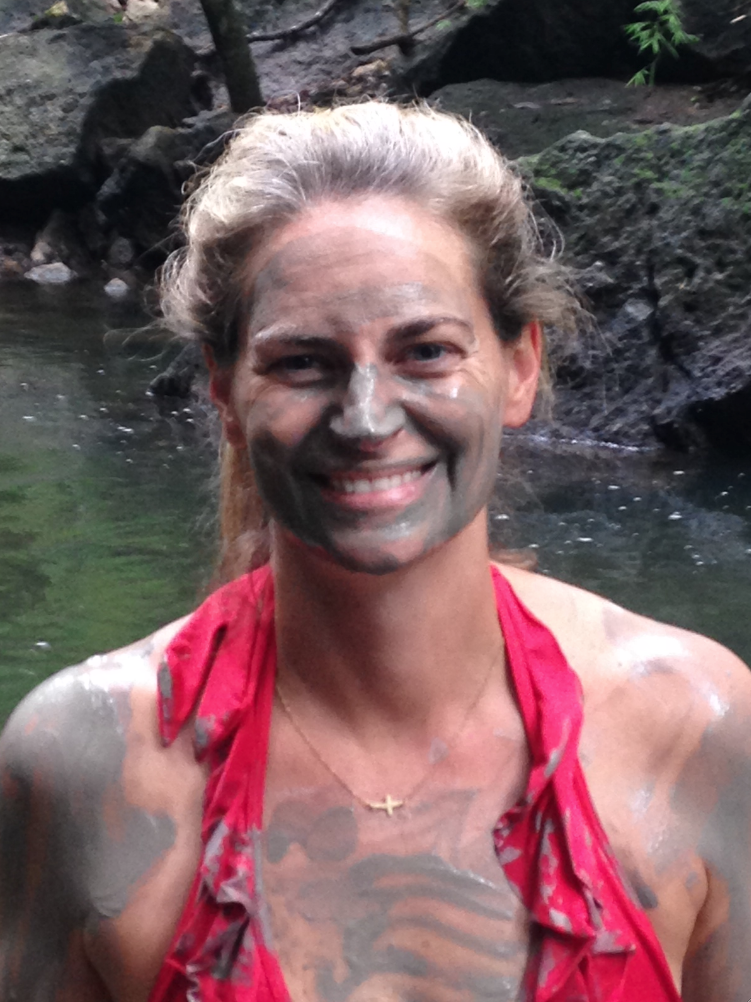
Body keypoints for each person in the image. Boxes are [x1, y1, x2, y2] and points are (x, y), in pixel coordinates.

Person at [1, 101, 750, 1002]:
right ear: (223, 389)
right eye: (301, 362)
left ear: (519, 367)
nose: (364, 419)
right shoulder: (83, 762)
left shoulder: (695, 726)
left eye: (425, 351)